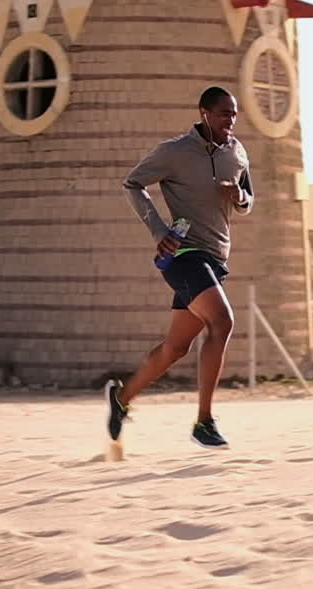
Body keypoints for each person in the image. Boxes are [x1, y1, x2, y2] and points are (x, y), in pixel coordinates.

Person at [105, 86, 255, 449]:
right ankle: (204, 421)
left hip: (216, 257)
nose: (230, 121)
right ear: (204, 113)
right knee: (222, 322)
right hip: (184, 253)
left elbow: (248, 201)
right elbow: (132, 183)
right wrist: (158, 229)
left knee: (176, 348)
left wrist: (240, 197)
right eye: (223, 113)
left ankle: (122, 398)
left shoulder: (237, 152)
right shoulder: (174, 152)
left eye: (234, 114)